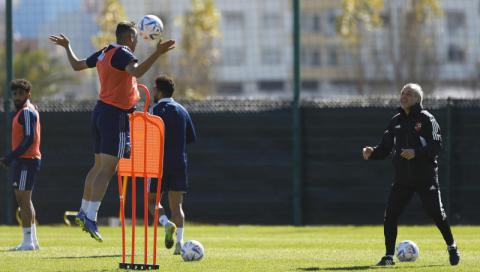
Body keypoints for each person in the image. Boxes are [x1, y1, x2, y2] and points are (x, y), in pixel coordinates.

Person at [49, 21, 175, 242]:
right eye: (135, 38)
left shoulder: (105, 51)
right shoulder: (124, 53)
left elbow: (77, 65)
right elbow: (136, 71)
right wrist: (157, 54)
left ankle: (83, 211)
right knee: (108, 169)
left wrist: (68, 46)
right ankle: (91, 217)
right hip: (115, 116)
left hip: (100, 112)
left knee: (98, 166)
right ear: (129, 38)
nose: (136, 42)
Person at [362, 83, 460, 266]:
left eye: (408, 94)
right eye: (402, 93)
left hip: (425, 178)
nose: (403, 96)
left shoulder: (427, 119)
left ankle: (452, 246)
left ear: (417, 99)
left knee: (437, 214)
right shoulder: (396, 121)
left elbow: (437, 146)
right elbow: (385, 148)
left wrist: (416, 152)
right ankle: (389, 256)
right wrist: (372, 152)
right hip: (402, 180)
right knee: (390, 215)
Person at [147, 75, 197, 255]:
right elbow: (191, 138)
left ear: (159, 91)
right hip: (179, 164)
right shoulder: (183, 111)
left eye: (154, 89)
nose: (153, 92)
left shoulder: (152, 111)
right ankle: (180, 243)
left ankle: (165, 223)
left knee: (152, 202)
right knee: (178, 207)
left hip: (156, 165)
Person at [0, 79, 41, 251]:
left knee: (23, 200)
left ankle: (28, 242)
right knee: (24, 200)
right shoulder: (24, 111)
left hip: (27, 160)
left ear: (28, 94)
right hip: (23, 160)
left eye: (21, 93)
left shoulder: (26, 112)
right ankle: (32, 240)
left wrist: (10, 157)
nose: (17, 97)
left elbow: (29, 139)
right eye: (15, 94)